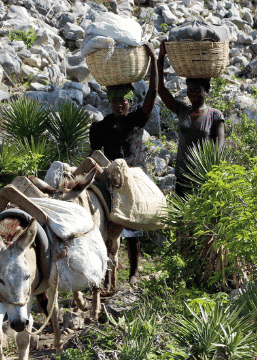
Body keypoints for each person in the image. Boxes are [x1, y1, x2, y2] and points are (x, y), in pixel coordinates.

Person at [88, 44, 158, 285]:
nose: (120, 105)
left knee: (132, 228)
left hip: (134, 178)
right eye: (115, 102)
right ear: (110, 103)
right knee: (109, 228)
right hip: (112, 180)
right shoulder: (101, 127)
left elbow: (152, 94)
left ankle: (134, 272)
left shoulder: (137, 120)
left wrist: (155, 63)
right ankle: (108, 274)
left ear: (130, 102)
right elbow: (95, 155)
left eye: (124, 102)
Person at [157, 43, 226, 197]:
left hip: (203, 178)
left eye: (197, 90)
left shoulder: (215, 115)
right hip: (182, 177)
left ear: (206, 91)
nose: (192, 94)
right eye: (189, 90)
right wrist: (161, 58)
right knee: (183, 219)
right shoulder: (182, 110)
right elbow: (160, 89)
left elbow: (219, 147)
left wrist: (208, 170)